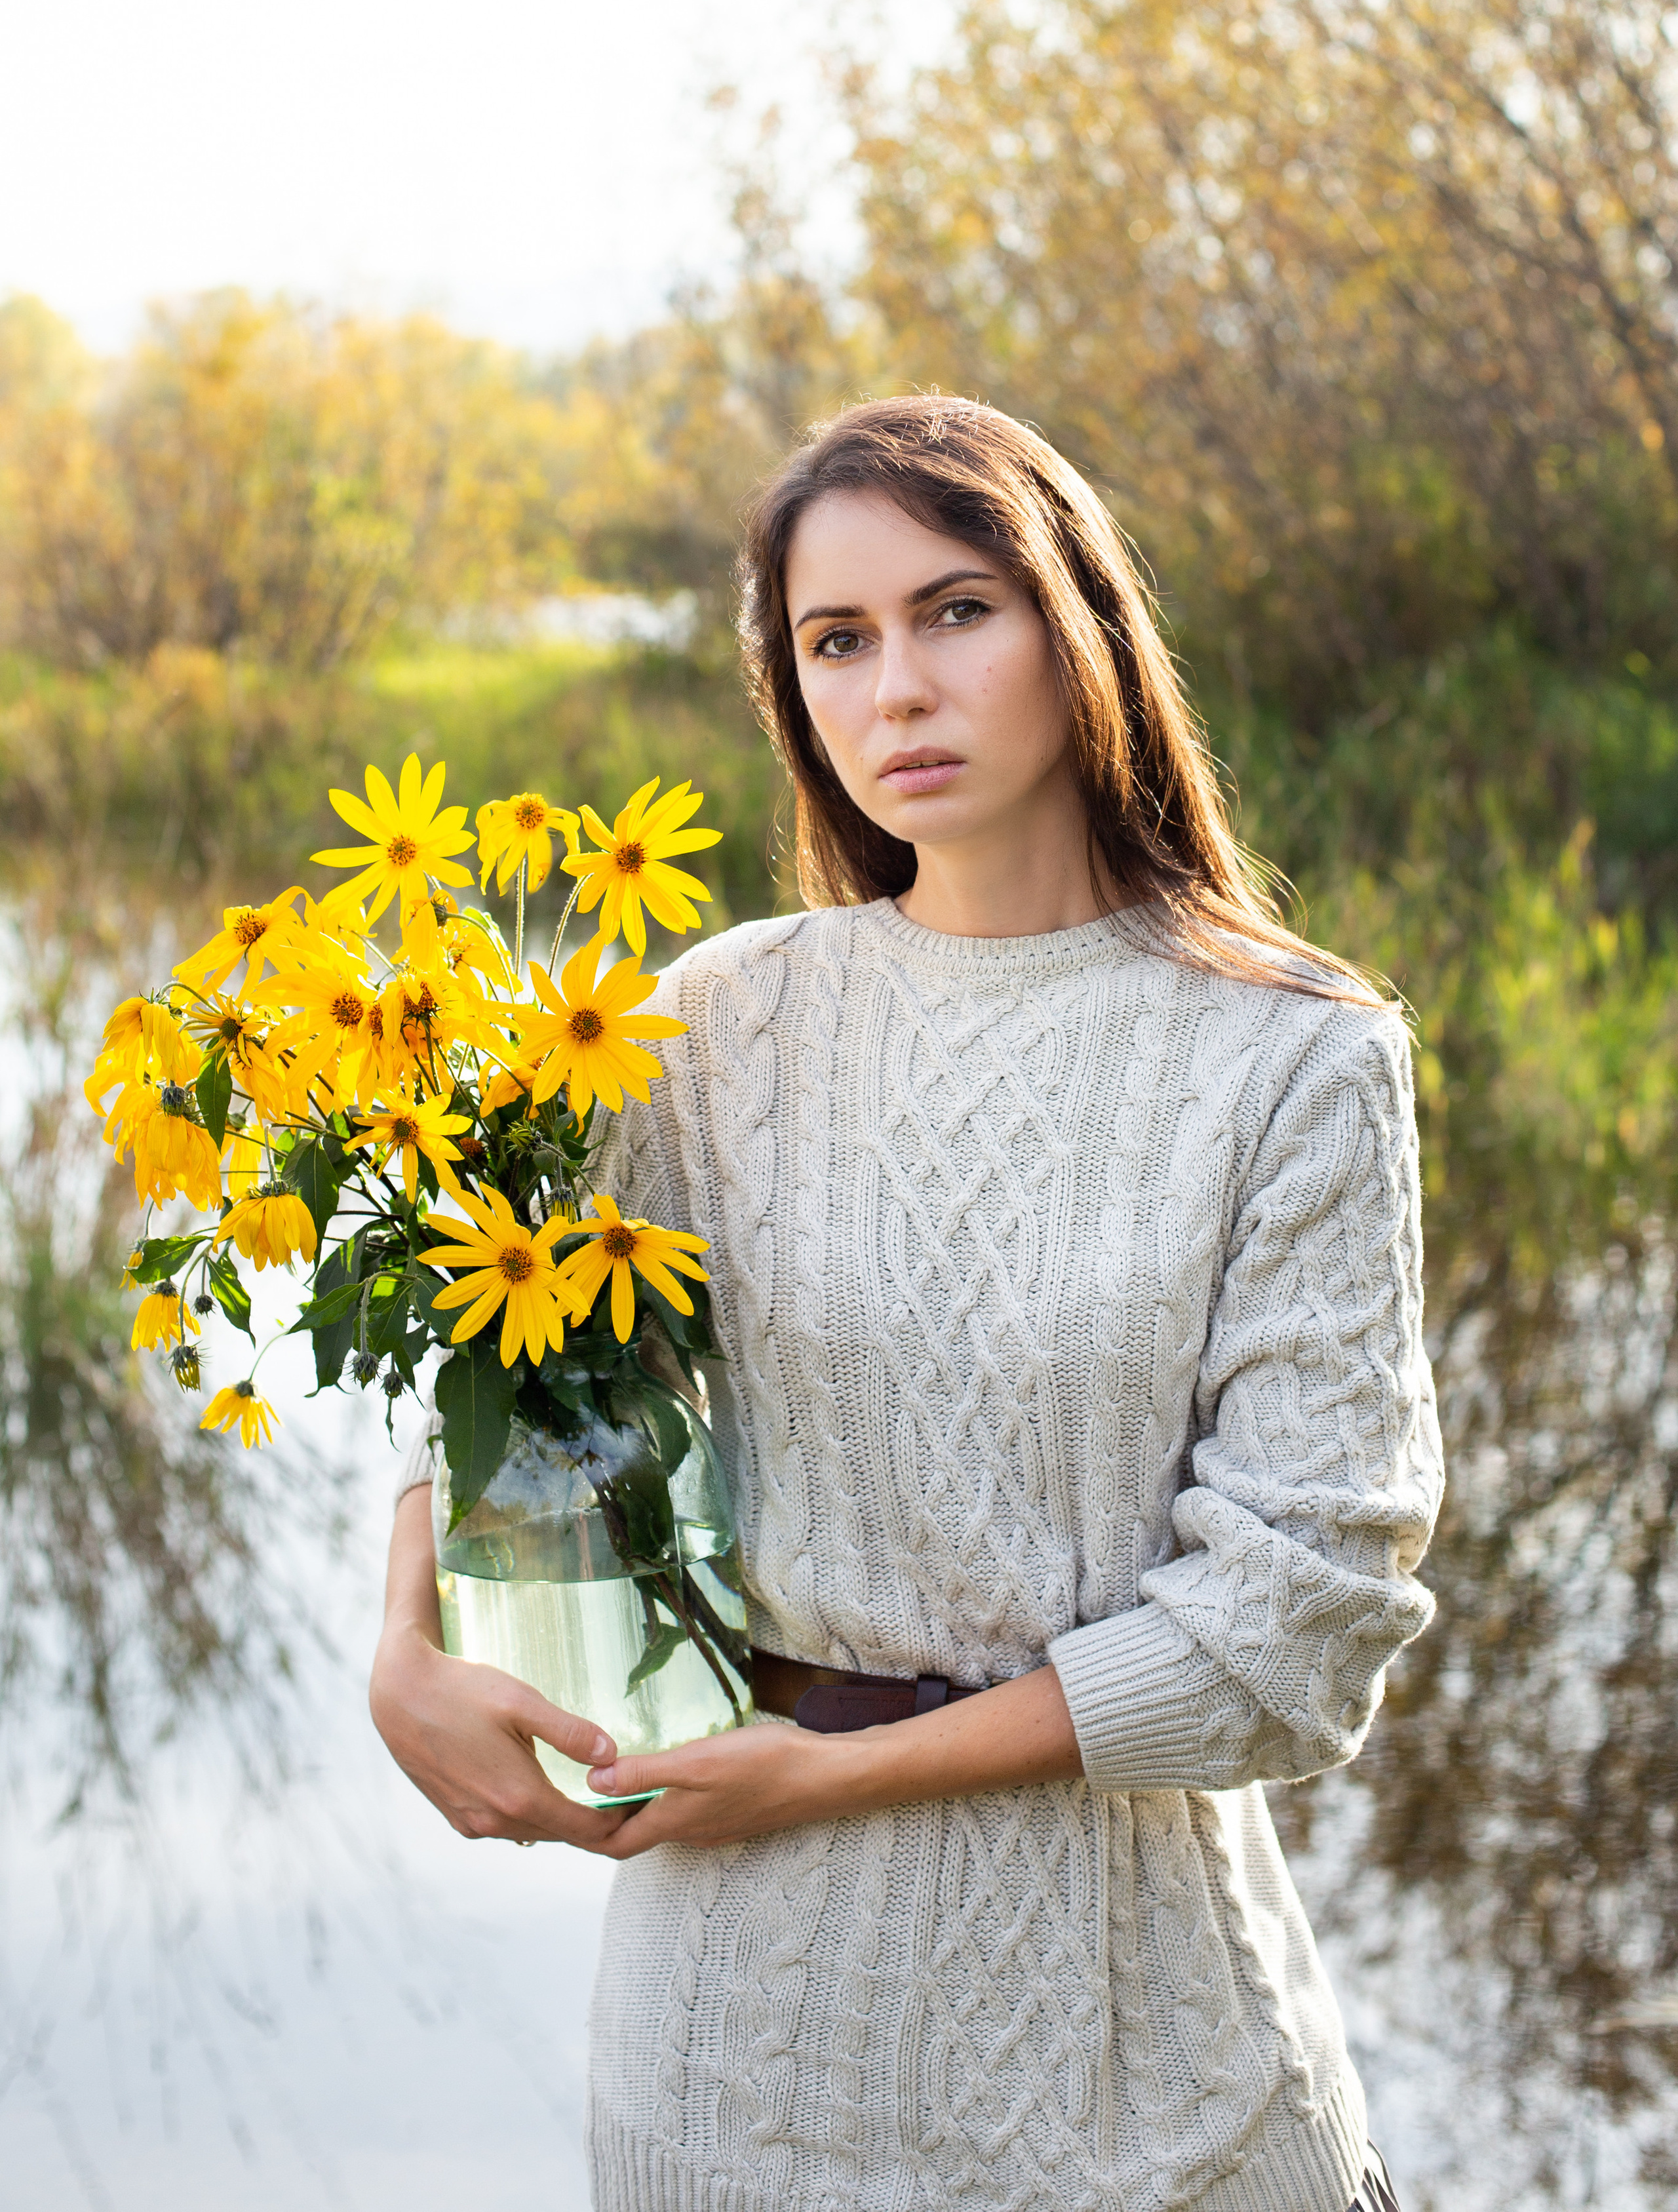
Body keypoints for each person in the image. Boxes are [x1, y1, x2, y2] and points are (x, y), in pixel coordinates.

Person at [370, 396, 1439, 2212]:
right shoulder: (720, 1020)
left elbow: (1294, 1629)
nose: (897, 691)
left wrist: (828, 1780)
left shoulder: (1297, 1061)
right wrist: (406, 1633)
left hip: (1145, 2075)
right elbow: (511, 1360)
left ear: (1082, 625)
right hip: (730, 2064)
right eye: (835, 642)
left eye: (958, 612)